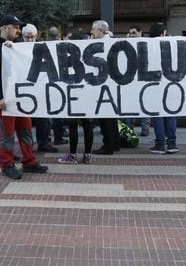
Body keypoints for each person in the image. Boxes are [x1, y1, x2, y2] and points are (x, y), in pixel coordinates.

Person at [0, 14, 48, 179]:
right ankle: (7, 165)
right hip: (4, 100)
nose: (19, 30)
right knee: (7, 134)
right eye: (16, 27)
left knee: (25, 130)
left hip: (20, 97)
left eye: (19, 27)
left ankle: (29, 161)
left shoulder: (15, 46)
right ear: (5, 27)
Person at [58, 31, 94, 164]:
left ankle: (73, 155)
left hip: (74, 94)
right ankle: (87, 155)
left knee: (73, 125)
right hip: (88, 94)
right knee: (87, 125)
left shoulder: (70, 58)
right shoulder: (90, 55)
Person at [21, 24, 58, 153]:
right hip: (25, 88)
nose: (30, 40)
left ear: (36, 36)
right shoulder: (17, 47)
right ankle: (27, 145)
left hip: (41, 87)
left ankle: (44, 142)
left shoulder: (44, 46)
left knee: (44, 117)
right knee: (25, 119)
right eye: (27, 37)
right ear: (22, 36)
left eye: (32, 37)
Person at [148, 23, 179, 154]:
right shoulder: (170, 46)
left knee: (158, 115)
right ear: (162, 34)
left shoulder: (148, 47)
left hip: (154, 84)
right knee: (170, 113)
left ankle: (160, 144)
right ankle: (171, 143)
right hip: (169, 84)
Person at [91, 20, 120, 155]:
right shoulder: (111, 41)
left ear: (101, 31)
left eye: (94, 30)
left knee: (106, 118)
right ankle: (114, 143)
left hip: (104, 84)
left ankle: (108, 146)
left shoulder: (104, 44)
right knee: (111, 117)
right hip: (110, 84)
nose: (92, 32)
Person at [122, 24, 151, 136]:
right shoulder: (128, 44)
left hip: (144, 78)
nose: (132, 35)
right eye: (130, 33)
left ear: (140, 32)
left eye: (134, 33)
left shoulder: (148, 43)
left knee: (145, 105)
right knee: (130, 104)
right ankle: (129, 128)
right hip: (131, 79)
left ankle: (145, 128)